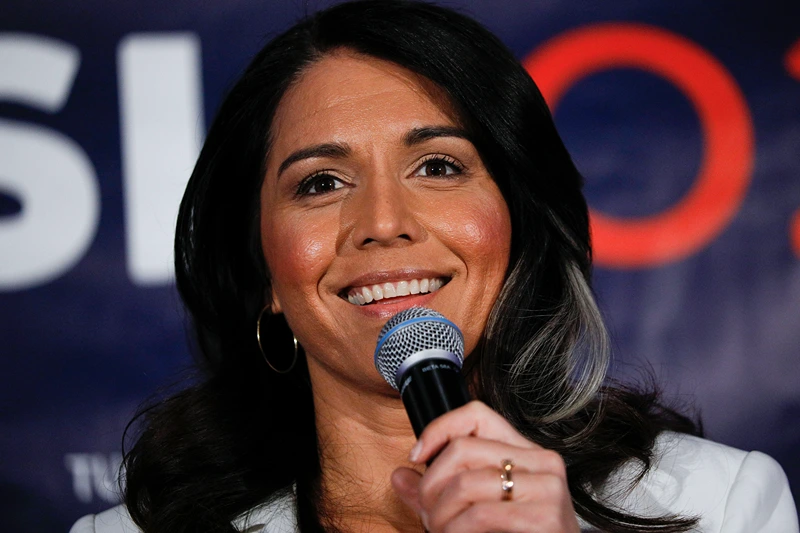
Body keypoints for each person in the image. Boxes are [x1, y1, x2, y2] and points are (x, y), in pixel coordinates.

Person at [71, 1, 798, 532]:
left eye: (439, 165)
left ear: (518, 223)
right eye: (321, 182)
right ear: (263, 273)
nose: (384, 223)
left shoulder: (722, 503)